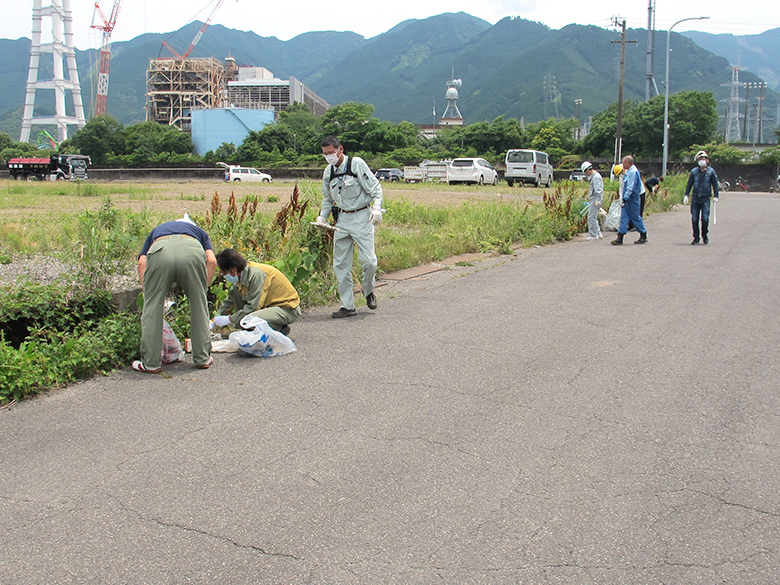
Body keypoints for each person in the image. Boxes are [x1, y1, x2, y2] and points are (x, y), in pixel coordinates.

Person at [133, 213, 217, 373]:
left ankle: (150, 364)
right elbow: (212, 261)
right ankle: (202, 359)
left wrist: (147, 291)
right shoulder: (199, 232)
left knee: (152, 308)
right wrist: (202, 288)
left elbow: (141, 262)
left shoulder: (157, 230)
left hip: (160, 250)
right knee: (199, 306)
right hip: (192, 251)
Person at [315, 135, 384, 318]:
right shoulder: (328, 172)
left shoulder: (356, 164)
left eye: (331, 152)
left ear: (340, 149)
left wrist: (377, 208)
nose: (328, 156)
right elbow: (328, 198)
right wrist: (323, 217)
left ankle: (368, 291)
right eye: (325, 154)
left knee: (369, 261)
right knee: (341, 264)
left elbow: (375, 189)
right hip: (342, 219)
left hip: (362, 216)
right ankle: (347, 305)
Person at [213, 248, 301, 336]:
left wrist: (230, 319)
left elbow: (254, 307)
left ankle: (278, 330)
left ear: (233, 269)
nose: (223, 275)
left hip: (287, 309)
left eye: (224, 272)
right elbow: (229, 301)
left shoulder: (256, 275)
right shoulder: (240, 278)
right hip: (270, 307)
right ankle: (246, 330)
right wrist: (214, 320)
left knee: (250, 320)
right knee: (236, 293)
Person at [683, 150, 719, 245]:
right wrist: (686, 195)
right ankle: (696, 237)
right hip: (695, 198)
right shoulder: (694, 172)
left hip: (705, 198)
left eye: (703, 159)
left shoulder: (711, 172)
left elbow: (715, 184)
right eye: (700, 159)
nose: (702, 161)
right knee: (694, 219)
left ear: (707, 160)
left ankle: (704, 235)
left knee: (705, 219)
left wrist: (716, 196)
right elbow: (689, 184)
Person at [610, 156, 648, 245]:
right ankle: (620, 237)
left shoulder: (633, 172)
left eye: (623, 163)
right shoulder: (629, 172)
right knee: (624, 218)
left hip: (632, 198)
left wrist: (625, 198)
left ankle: (643, 234)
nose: (622, 165)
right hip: (627, 199)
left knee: (635, 217)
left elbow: (630, 187)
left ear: (627, 162)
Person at [581, 161, 603, 240]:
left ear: (587, 169)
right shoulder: (594, 176)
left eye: (585, 171)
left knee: (591, 217)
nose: (585, 174)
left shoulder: (596, 177)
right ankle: (598, 233)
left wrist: (598, 200)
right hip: (595, 198)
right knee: (594, 217)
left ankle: (593, 234)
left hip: (595, 199)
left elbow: (598, 190)